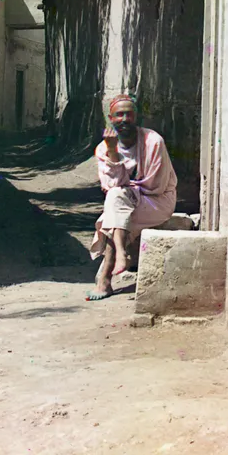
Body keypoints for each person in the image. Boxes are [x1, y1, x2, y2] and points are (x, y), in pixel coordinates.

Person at [86, 93, 177, 300]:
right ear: (111, 118)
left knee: (115, 210)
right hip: (126, 202)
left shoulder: (153, 142)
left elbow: (156, 186)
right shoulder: (104, 148)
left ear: (136, 117)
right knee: (116, 201)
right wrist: (113, 152)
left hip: (157, 202)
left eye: (129, 114)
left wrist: (129, 188)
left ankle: (106, 275)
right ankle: (119, 256)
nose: (124, 119)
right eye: (119, 115)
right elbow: (111, 186)